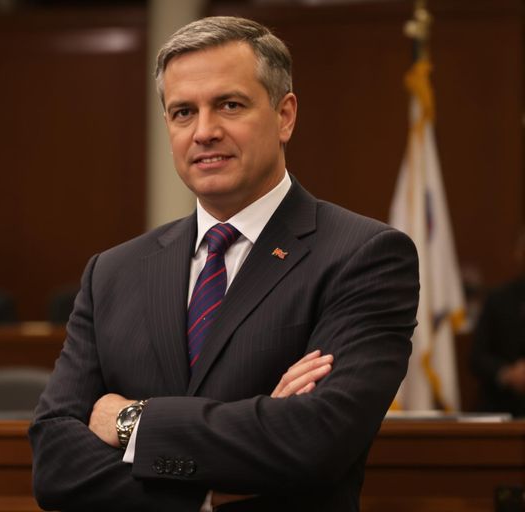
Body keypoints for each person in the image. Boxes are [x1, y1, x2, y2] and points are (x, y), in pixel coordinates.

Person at [29, 16, 419, 511]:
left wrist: (133, 421)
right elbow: (55, 463)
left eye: (229, 105)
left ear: (285, 116)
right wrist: (210, 494)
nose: (205, 132)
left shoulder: (365, 255)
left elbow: (316, 441)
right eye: (183, 112)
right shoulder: (112, 271)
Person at [471, 230, 525, 417]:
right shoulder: (498, 299)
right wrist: (507, 373)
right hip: (501, 408)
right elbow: (477, 357)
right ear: (519, 254)